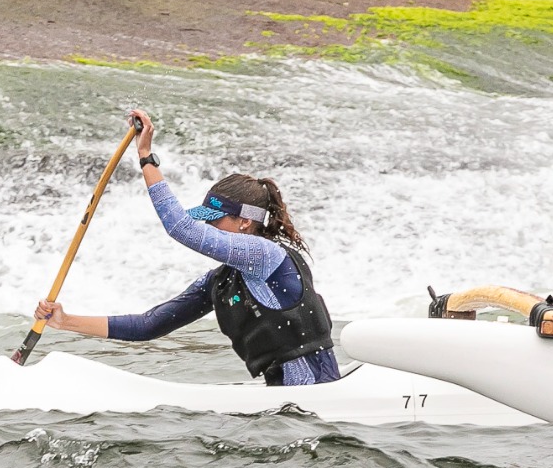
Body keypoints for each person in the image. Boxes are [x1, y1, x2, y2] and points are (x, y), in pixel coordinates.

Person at [31, 110, 341, 385]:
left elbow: (180, 227)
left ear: (245, 222)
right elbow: (147, 325)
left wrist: (146, 157)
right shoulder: (220, 282)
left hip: (316, 396)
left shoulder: (266, 255)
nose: (208, 228)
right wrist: (64, 321)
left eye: (216, 220)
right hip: (284, 406)